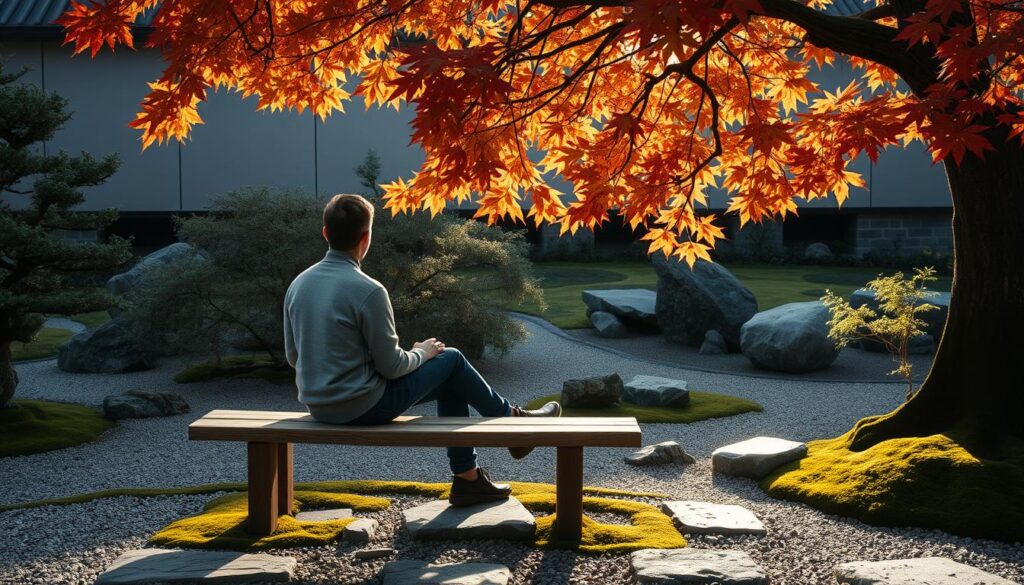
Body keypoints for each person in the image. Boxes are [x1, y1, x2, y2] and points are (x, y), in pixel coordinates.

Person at [284, 193, 561, 507]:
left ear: (325, 233)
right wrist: (422, 353)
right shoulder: (368, 290)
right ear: (367, 236)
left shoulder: (298, 285)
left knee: (450, 378)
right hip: (361, 407)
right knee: (452, 358)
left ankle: (469, 479)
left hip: (318, 406)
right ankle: (514, 426)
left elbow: (293, 356)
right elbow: (391, 367)